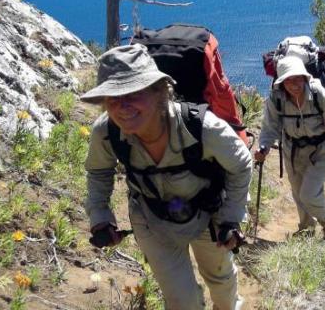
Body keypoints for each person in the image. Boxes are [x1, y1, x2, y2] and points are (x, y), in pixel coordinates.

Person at [81, 44, 251, 310]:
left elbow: (241, 164)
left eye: (133, 93)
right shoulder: (106, 132)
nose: (122, 107)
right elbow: (98, 172)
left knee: (221, 283)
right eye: (113, 98)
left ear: (160, 91)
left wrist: (231, 218)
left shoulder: (203, 128)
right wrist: (100, 219)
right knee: (181, 301)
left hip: (209, 215)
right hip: (151, 219)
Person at [255, 56, 325, 237]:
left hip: (321, 149)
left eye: (298, 78)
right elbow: (270, 128)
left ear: (305, 78)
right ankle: (307, 229)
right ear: (282, 82)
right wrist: (263, 147)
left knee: (308, 194)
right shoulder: (276, 99)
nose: (295, 84)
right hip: (291, 150)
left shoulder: (318, 94)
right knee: (297, 192)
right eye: (289, 80)